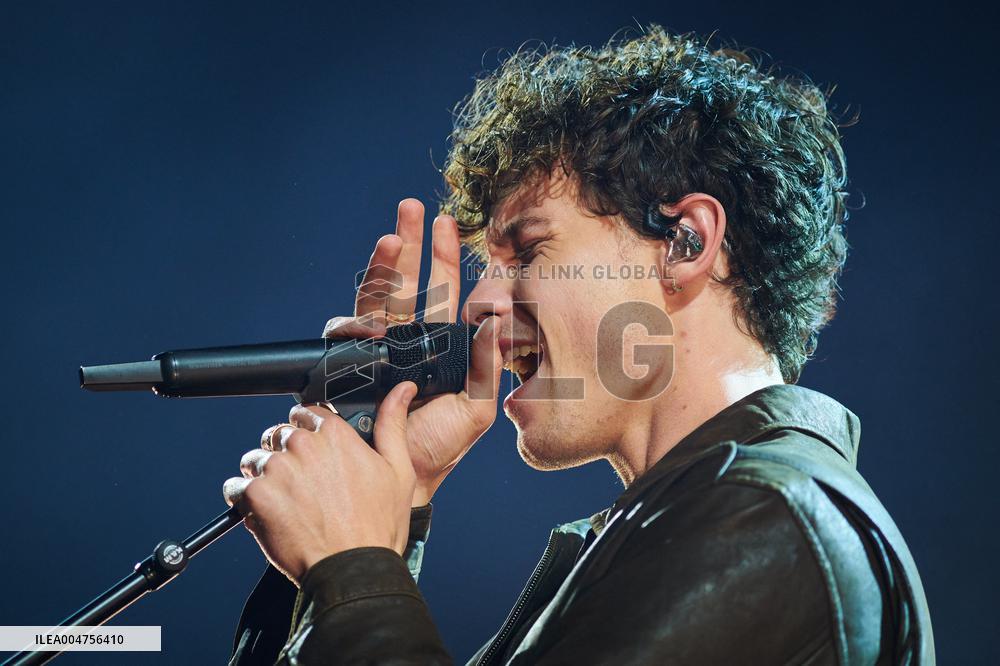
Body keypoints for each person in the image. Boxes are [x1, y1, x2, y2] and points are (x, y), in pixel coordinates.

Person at [223, 26, 934, 665]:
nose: (479, 304)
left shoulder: (772, 517)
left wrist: (352, 569)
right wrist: (383, 490)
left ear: (686, 243)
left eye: (528, 251)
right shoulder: (676, 526)